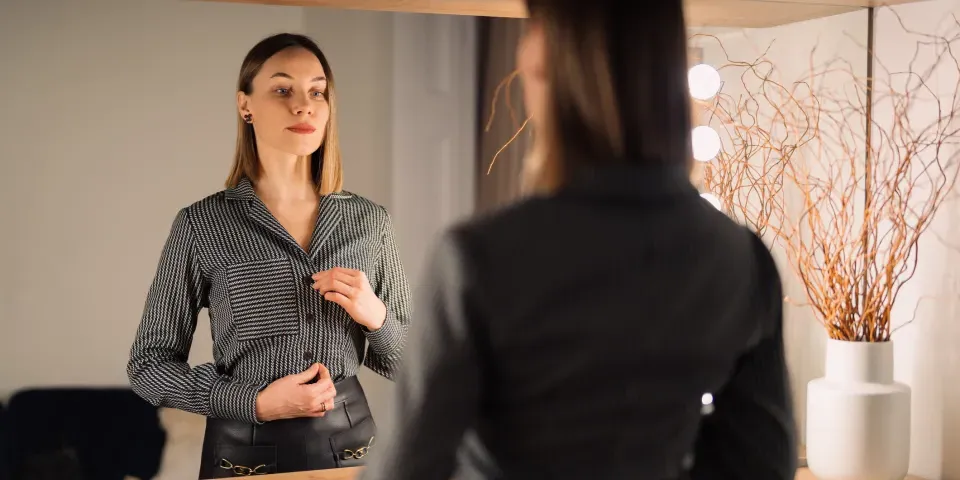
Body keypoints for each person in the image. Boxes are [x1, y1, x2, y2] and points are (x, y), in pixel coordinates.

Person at [361, 1, 797, 479]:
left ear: (542, 57)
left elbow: (404, 473)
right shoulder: (742, 261)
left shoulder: (479, 259)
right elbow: (759, 465)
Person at [126, 33, 411, 478]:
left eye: (317, 91)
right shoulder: (202, 225)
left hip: (354, 454)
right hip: (242, 455)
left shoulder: (369, 221)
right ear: (246, 105)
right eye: (283, 90)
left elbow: (413, 366)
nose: (304, 106)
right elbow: (148, 368)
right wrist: (255, 402)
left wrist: (375, 316)